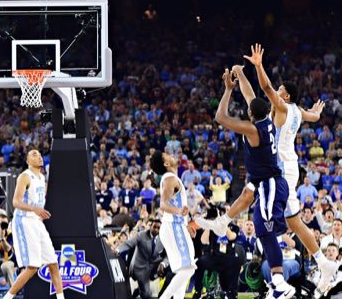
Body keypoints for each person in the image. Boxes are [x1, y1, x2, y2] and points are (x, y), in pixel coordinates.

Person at [204, 48, 337, 295]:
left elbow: (264, 89)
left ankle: (284, 275)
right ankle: (322, 262)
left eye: (281, 91)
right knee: (278, 212)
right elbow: (309, 115)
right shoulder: (298, 111)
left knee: (273, 220)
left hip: (280, 170)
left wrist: (258, 65)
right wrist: (317, 114)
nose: (277, 91)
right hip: (281, 167)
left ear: (285, 96)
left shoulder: (284, 108)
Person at [197, 67, 295, 299]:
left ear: (251, 114)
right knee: (246, 199)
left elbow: (221, 117)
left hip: (270, 184)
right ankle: (223, 221)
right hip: (263, 181)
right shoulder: (265, 119)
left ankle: (280, 283)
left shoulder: (252, 129)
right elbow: (250, 95)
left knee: (266, 231)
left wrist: (228, 90)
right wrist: (240, 74)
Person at [2, 149, 65, 299]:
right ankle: (7, 297)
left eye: (40, 154)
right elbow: (16, 202)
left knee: (53, 263)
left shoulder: (42, 177)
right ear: (28, 161)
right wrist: (35, 209)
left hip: (36, 221)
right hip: (24, 221)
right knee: (32, 267)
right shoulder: (25, 176)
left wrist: (39, 213)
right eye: (34, 155)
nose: (39, 157)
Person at [150, 150, 196, 299]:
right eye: (167, 155)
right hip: (173, 227)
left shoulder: (172, 178)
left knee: (182, 270)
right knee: (189, 268)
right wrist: (179, 211)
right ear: (166, 163)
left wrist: (187, 223)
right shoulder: (170, 179)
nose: (171, 155)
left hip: (175, 227)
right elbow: (163, 204)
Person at [117, 219, 165, 299]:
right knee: (146, 295)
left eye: (158, 228)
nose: (156, 229)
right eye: (154, 227)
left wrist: (163, 264)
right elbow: (128, 244)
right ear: (150, 227)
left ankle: (139, 290)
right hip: (140, 268)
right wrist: (118, 250)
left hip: (153, 267)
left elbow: (167, 254)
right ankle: (140, 291)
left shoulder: (163, 239)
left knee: (169, 266)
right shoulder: (141, 235)